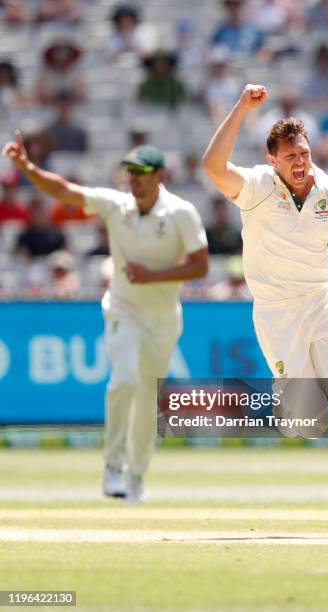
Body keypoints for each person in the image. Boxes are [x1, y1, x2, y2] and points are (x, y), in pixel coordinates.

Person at [202, 83, 328, 537]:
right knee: (306, 424)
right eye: (290, 157)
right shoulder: (257, 188)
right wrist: (242, 109)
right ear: (272, 160)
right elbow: (212, 167)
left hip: (326, 302)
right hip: (277, 313)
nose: (300, 162)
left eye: (304, 152)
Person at [3, 135, 208, 503]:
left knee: (148, 396)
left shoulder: (181, 213)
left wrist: (152, 276)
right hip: (122, 308)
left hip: (162, 316)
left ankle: (137, 476)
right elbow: (65, 191)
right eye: (129, 171)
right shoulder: (116, 205)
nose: (133, 178)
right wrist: (27, 168)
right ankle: (113, 465)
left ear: (159, 175)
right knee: (123, 380)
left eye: (141, 172)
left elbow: (201, 264)